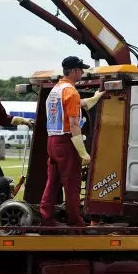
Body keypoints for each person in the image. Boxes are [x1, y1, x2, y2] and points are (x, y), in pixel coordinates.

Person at [39, 56, 105, 227]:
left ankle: (45, 218)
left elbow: (75, 104)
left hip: (52, 140)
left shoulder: (56, 89)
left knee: (52, 182)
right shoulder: (71, 91)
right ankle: (76, 222)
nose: (83, 73)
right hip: (66, 142)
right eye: (81, 69)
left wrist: (93, 99)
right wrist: (83, 152)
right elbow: (74, 124)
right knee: (72, 184)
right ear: (74, 71)